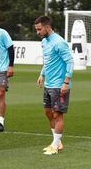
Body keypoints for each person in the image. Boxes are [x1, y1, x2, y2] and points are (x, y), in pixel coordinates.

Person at [35, 16, 73, 155]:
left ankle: (55, 145)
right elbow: (48, 61)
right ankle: (57, 142)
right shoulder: (45, 41)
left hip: (59, 85)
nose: (38, 32)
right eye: (36, 30)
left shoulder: (59, 42)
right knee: (48, 112)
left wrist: (66, 82)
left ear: (47, 27)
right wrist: (42, 74)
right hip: (49, 83)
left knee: (58, 115)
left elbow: (70, 62)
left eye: (39, 29)